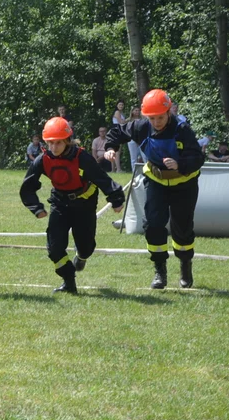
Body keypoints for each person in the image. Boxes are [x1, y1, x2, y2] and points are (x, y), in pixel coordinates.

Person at [104, 88, 203, 289]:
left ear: (168, 112)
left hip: (184, 183)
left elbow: (198, 158)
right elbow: (118, 131)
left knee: (182, 227)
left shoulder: (182, 129)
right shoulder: (141, 127)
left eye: (160, 118)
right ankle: (160, 271)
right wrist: (110, 148)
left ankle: (185, 265)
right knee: (153, 224)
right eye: (152, 118)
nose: (156, 122)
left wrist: (180, 165)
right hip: (156, 181)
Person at [20, 117, 125, 294]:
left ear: (68, 141)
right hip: (60, 202)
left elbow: (101, 178)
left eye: (58, 143)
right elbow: (27, 186)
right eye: (50, 143)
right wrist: (36, 208)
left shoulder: (81, 157)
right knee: (54, 248)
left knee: (86, 247)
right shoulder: (42, 159)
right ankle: (69, 281)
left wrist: (116, 199)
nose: (54, 148)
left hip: (84, 203)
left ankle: (81, 256)